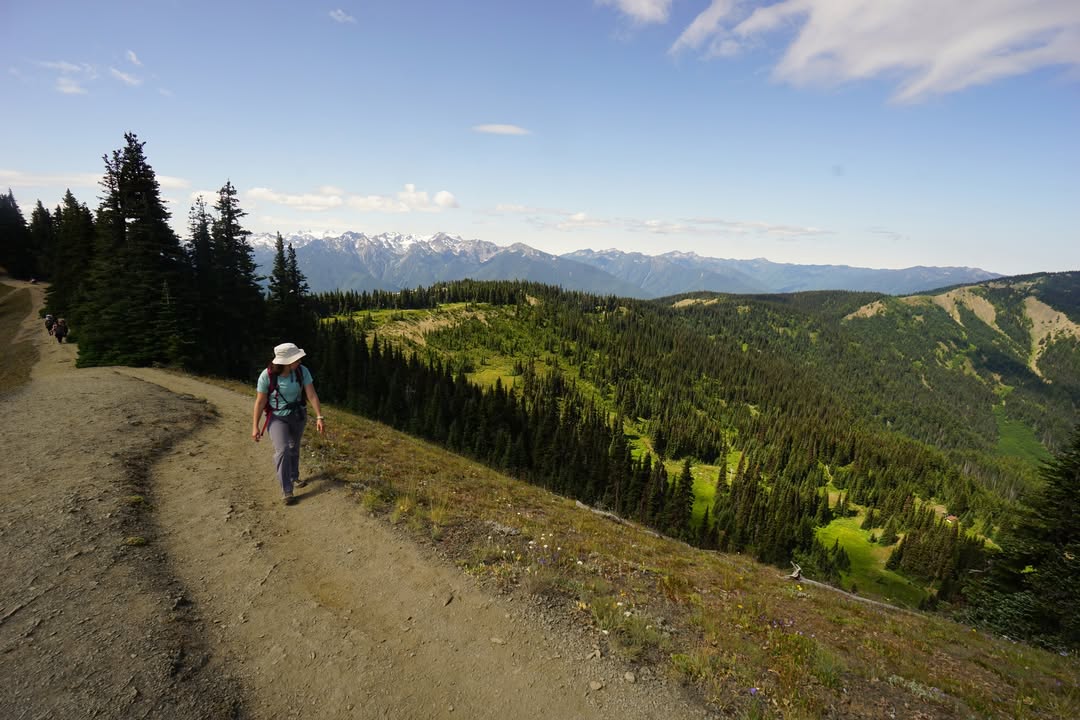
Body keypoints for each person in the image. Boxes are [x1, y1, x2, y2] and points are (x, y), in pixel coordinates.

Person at [251, 342, 325, 505]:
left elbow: (311, 394)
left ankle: (294, 476)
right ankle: (287, 490)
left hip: (298, 415)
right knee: (283, 450)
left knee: (294, 447)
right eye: (296, 359)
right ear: (285, 362)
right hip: (277, 417)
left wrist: (319, 416)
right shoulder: (267, 375)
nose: (299, 361)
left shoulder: (301, 371)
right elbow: (260, 401)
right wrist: (255, 426)